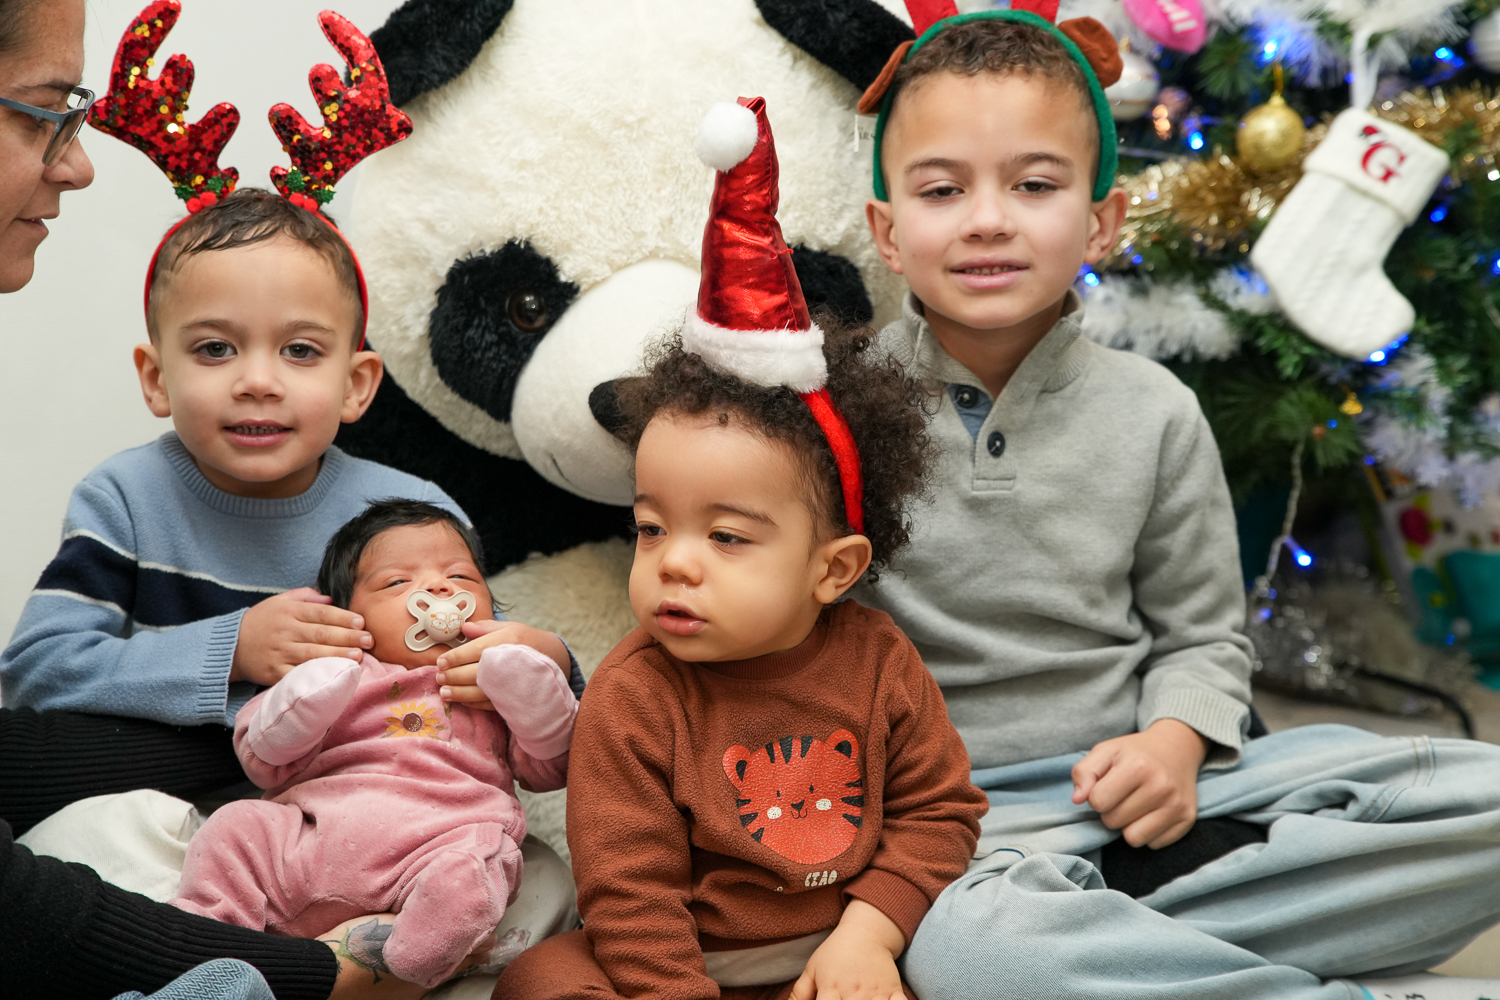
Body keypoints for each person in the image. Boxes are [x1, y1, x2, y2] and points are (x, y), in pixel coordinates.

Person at [855, 6, 1500, 1000]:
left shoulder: (1156, 411)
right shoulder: (838, 409)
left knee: (1480, 794)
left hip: (1154, 799)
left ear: (1102, 223)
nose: (988, 219)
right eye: (943, 190)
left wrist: (1173, 742)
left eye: (1035, 185)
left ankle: (1136, 948)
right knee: (978, 957)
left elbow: (1201, 638)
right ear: (888, 233)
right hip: (965, 838)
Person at [0, 1, 459, 996]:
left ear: (358, 384)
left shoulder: (409, 514)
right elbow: (38, 669)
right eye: (214, 349)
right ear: (155, 378)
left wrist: (521, 658)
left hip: (361, 819)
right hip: (187, 829)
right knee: (97, 834)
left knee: (521, 868)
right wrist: (230, 650)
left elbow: (471, 675)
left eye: (299, 351)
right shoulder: (128, 498)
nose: (257, 380)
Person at [499, 96, 987, 1000]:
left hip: (845, 947)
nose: (675, 562)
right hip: (689, 962)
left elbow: (939, 814)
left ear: (833, 569)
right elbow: (631, 900)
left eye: (726, 536)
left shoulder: (879, 661)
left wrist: (870, 938)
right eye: (652, 528)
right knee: (542, 980)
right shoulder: (634, 700)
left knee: (977, 957)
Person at [172, 499, 576, 989]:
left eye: (461, 577)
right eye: (397, 582)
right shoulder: (334, 676)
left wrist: (530, 686)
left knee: (482, 861)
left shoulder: (491, 686)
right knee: (236, 826)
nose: (438, 588)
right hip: (309, 840)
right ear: (348, 620)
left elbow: (547, 766)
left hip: (436, 847)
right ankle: (205, 935)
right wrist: (308, 694)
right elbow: (264, 759)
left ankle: (420, 953)